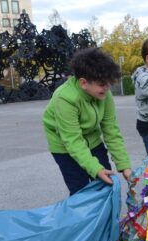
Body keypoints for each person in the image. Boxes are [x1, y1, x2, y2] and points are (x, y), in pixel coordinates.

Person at [42, 48, 132, 196]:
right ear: (84, 83)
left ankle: (105, 219)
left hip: (92, 140)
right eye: (103, 84)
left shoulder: (104, 93)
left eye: (109, 83)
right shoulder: (64, 99)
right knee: (81, 192)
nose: (107, 88)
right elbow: (73, 141)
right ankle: (83, 218)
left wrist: (124, 165)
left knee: (106, 186)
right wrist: (96, 169)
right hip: (65, 146)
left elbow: (111, 131)